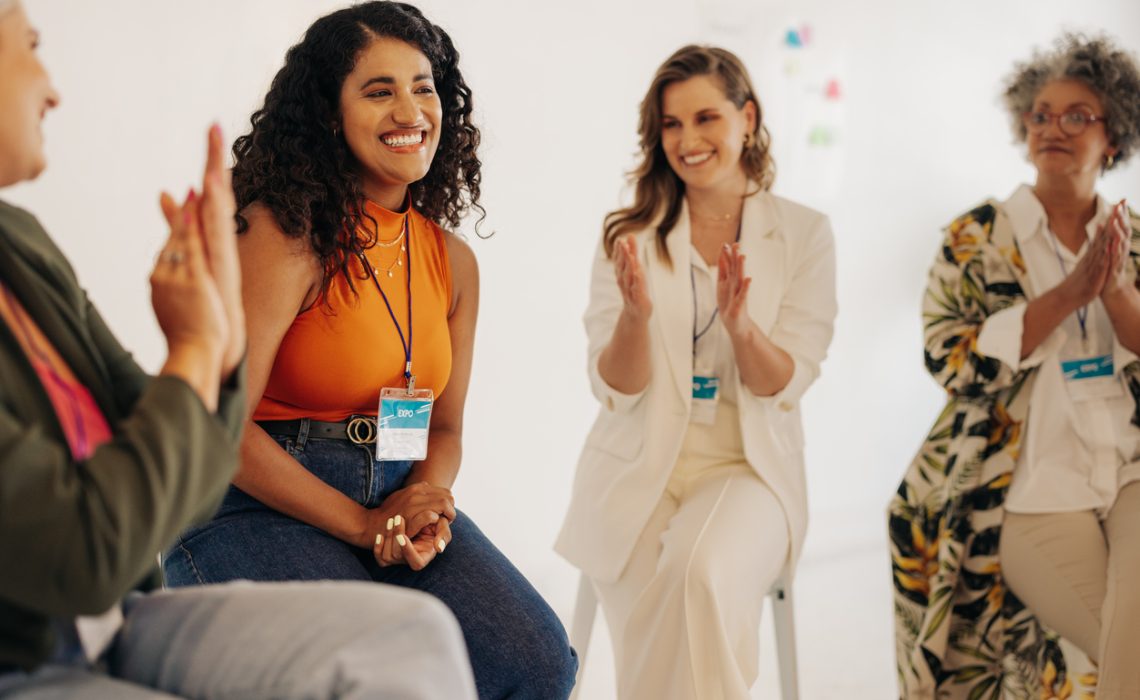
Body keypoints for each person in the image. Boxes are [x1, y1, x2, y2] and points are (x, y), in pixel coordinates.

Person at [0, 1, 478, 697]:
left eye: (422, 86)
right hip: (42, 636)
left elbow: (172, 433)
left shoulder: (23, 244)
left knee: (434, 639)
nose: (52, 85)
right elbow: (95, 545)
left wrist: (210, 350)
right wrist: (198, 347)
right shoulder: (288, 233)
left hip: (115, 614)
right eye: (29, 46)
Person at [160, 3, 577, 698]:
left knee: (535, 663)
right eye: (378, 90)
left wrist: (423, 504)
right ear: (330, 112)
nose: (409, 109)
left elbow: (441, 427)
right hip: (252, 499)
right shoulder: (283, 234)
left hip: (393, 491)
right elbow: (219, 430)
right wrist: (361, 523)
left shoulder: (453, 262)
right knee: (383, 674)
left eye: (423, 87)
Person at [555, 45, 837, 699]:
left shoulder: (805, 234)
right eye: (672, 125)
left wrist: (742, 329)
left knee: (697, 574)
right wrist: (633, 316)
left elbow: (786, 382)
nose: (688, 140)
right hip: (636, 466)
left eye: (705, 118)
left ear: (747, 116)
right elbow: (616, 390)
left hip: (748, 467)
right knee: (668, 598)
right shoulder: (629, 234)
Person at [891, 32, 1140, 700]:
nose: (1051, 126)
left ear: (1113, 137)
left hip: (1130, 470)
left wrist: (1115, 291)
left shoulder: (1134, 238)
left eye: (1076, 115)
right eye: (1040, 113)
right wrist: (1066, 296)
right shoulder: (974, 238)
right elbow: (948, 358)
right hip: (1029, 484)